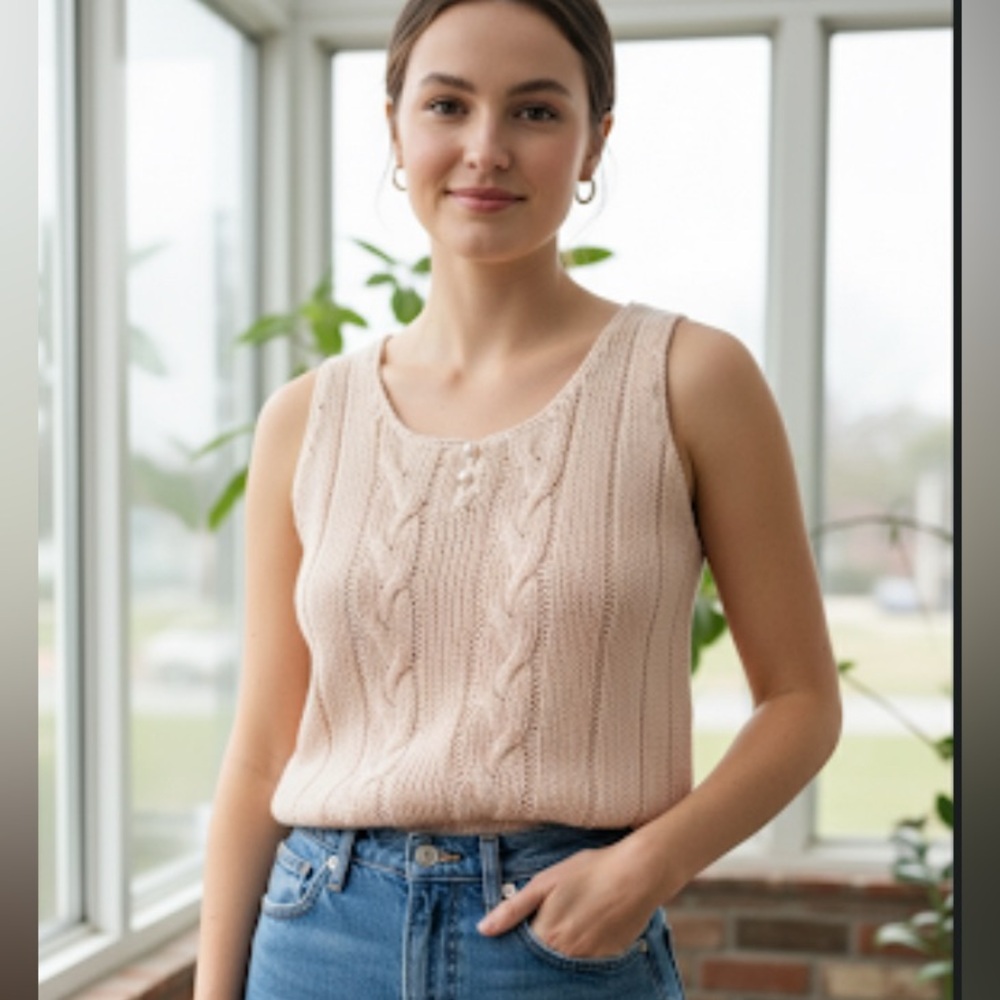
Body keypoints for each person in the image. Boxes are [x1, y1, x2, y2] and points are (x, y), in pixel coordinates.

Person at [193, 0, 842, 996]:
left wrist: (646, 865)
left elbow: (801, 703)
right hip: (318, 937)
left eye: (535, 111)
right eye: (447, 105)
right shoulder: (305, 417)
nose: (485, 149)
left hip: (566, 945)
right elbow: (261, 754)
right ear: (395, 129)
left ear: (594, 142)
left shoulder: (691, 379)